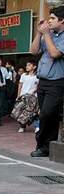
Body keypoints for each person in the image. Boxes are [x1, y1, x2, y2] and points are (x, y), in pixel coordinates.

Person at [31, 7, 64, 157]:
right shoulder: (47, 35)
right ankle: (44, 146)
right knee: (45, 114)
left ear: (62, 20)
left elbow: (55, 53)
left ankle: (44, 145)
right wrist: (39, 33)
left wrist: (46, 35)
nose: (49, 21)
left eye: (52, 18)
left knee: (48, 113)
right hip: (43, 81)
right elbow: (33, 51)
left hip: (56, 82)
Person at [16, 61, 39, 133]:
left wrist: (34, 91)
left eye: (29, 65)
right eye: (26, 65)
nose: (27, 67)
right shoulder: (23, 75)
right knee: (23, 112)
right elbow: (20, 85)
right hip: (23, 96)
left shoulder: (37, 76)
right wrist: (18, 95)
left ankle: (37, 126)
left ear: (34, 67)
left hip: (33, 97)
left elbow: (39, 86)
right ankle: (22, 126)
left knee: (34, 112)